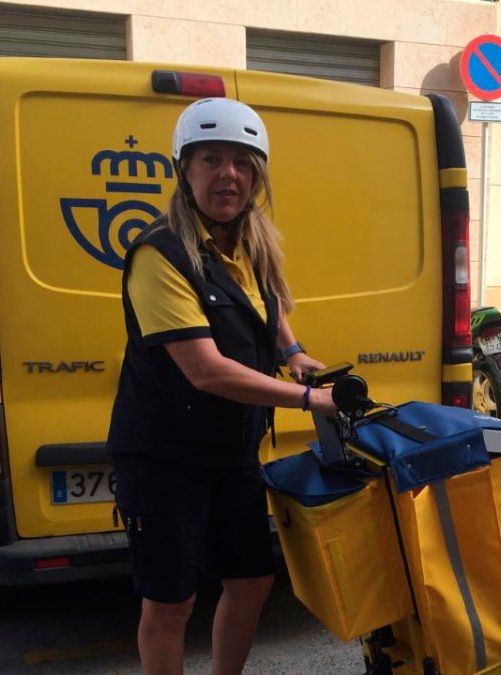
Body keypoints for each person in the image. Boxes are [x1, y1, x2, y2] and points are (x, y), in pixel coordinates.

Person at [106, 97, 338, 675]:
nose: (227, 174)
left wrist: (293, 352)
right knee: (170, 603)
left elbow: (269, 304)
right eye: (211, 159)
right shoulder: (159, 255)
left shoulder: (250, 244)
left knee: (253, 582)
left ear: (257, 174)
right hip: (162, 456)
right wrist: (310, 398)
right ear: (184, 169)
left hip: (230, 452)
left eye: (242, 161)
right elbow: (205, 370)